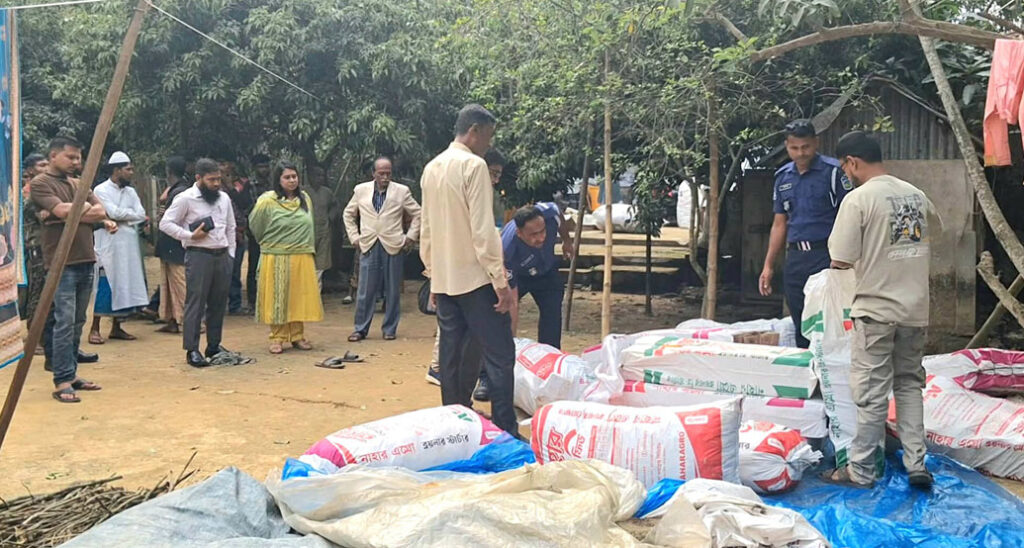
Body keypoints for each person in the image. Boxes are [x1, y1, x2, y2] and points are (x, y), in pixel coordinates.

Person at [821, 131, 934, 490]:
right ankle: (917, 465)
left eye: (844, 168)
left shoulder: (858, 200)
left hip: (876, 311)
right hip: (915, 310)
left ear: (852, 162)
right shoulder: (916, 195)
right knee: (909, 385)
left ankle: (861, 471)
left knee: (871, 395)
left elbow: (840, 258)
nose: (846, 174)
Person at [420, 104, 518, 436]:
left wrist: (432, 274)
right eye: (488, 136)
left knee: (452, 358)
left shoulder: (432, 168)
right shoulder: (474, 166)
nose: (489, 144)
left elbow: (427, 229)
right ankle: (505, 427)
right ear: (474, 131)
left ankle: (455, 428)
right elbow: (483, 231)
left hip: (446, 279)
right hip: (476, 279)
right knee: (499, 355)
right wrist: (500, 281)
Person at [31, 136, 114, 403]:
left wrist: (72, 212)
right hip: (61, 263)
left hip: (85, 259)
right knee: (64, 322)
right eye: (70, 157)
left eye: (78, 157)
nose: (76, 162)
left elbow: (101, 212)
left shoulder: (79, 183)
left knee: (78, 321)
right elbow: (63, 210)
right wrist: (76, 211)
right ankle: (62, 381)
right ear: (53, 156)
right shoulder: (40, 183)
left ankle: (72, 373)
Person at [759, 119, 851, 348]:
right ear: (787, 146)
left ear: (815, 143)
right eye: (794, 148)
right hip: (796, 257)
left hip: (826, 256)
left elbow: (850, 215)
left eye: (806, 147)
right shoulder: (783, 178)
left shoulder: (834, 173)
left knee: (829, 318)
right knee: (800, 316)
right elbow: (779, 224)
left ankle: (828, 366)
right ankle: (807, 364)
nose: (801, 153)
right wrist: (768, 266)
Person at [426, 148, 506, 386]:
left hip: (450, 273)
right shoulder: (472, 176)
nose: (495, 179)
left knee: (454, 336)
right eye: (493, 173)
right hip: (470, 274)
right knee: (465, 337)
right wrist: (498, 278)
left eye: (498, 175)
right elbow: (483, 236)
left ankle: (452, 387)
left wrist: (434, 275)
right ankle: (442, 371)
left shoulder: (435, 173)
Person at [159, 158, 236, 367]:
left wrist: (230, 254)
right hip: (199, 255)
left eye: (218, 179)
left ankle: (213, 346)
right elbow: (165, 223)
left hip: (222, 255)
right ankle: (192, 349)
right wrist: (189, 236)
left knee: (218, 304)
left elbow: (230, 227)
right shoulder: (186, 198)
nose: (216, 183)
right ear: (198, 178)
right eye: (211, 180)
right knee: (195, 303)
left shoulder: (224, 198)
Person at [248, 161, 323, 353]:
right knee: (278, 298)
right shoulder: (267, 201)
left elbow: (310, 225)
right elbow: (256, 225)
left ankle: (297, 336)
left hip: (301, 254)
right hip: (276, 255)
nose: (292, 180)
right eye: (287, 177)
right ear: (278, 179)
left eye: (294, 176)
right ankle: (277, 337)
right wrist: (271, 244)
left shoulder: (305, 199)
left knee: (298, 297)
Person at [344, 157, 421, 342]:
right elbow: (348, 214)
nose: (385, 177)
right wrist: (354, 237)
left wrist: (410, 237)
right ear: (374, 173)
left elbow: (418, 213)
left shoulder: (402, 191)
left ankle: (390, 329)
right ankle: (360, 329)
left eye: (388, 173)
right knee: (365, 290)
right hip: (369, 244)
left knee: (393, 290)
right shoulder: (360, 190)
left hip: (393, 244)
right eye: (381, 173)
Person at [88, 152, 150, 344]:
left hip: (128, 245)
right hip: (109, 243)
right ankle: (95, 328)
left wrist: (123, 217)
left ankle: (117, 328)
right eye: (128, 169)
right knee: (105, 283)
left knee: (125, 282)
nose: (131, 172)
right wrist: (127, 216)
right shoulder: (101, 190)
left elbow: (141, 214)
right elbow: (111, 212)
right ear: (116, 170)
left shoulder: (130, 192)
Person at [154, 156, 191, 333]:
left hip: (175, 245)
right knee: (169, 285)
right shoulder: (179, 189)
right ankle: (173, 319)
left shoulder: (180, 192)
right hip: (171, 245)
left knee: (180, 283)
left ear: (168, 172)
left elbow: (169, 220)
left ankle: (191, 322)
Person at [19, 153, 49, 351]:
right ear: (30, 170)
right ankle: (33, 337)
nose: (46, 168)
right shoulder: (28, 193)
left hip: (48, 246)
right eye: (41, 165)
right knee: (36, 293)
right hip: (35, 246)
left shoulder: (44, 189)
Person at [222, 159, 255, 315]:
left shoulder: (242, 184)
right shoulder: (212, 186)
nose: (223, 167)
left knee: (235, 270)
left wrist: (230, 187)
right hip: (218, 234)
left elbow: (245, 203)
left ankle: (235, 305)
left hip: (238, 233)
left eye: (225, 164)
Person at [245, 153, 272, 311]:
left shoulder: (273, 184)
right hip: (255, 231)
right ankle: (252, 300)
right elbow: (248, 208)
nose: (264, 170)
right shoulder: (250, 185)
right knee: (254, 265)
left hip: (272, 231)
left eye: (266, 166)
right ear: (255, 168)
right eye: (261, 167)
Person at [307, 166, 339, 290]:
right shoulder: (303, 192)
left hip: (324, 232)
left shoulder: (327, 192)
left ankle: (317, 292)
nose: (320, 178)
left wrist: (331, 217)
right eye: (317, 175)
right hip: (307, 233)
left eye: (322, 176)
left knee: (320, 264)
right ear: (310, 177)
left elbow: (335, 206)